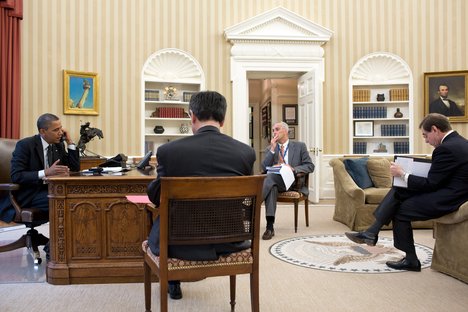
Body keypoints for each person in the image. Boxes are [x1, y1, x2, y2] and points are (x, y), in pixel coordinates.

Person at [146, 91, 256, 300]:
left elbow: (155, 196)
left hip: (177, 243)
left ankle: (172, 282)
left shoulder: (169, 151)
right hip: (231, 241)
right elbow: (245, 197)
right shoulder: (245, 153)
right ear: (223, 120)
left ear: (192, 116)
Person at [345, 113, 468, 271]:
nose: (426, 140)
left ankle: (410, 259)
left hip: (449, 199)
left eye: (426, 135)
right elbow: (440, 177)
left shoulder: (445, 149)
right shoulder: (460, 143)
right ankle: (371, 232)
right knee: (400, 189)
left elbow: (431, 184)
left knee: (401, 210)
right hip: (453, 192)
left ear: (435, 129)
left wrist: (403, 174)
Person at [0, 113, 80, 222]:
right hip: (29, 194)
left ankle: (69, 237)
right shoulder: (25, 145)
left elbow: (74, 167)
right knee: (64, 201)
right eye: (56, 130)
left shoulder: (57, 145)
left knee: (75, 197)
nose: (61, 133)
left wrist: (70, 142)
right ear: (43, 132)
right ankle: (61, 238)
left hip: (50, 190)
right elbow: (16, 176)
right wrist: (46, 172)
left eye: (61, 129)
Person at [261, 121, 314, 240]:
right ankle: (270, 227)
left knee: (269, 180)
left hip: (294, 182)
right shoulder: (270, 148)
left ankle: (253, 205)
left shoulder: (300, 146)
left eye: (277, 129)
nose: (274, 132)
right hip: (276, 182)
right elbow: (264, 168)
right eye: (273, 130)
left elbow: (310, 166)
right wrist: (273, 150)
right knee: (271, 185)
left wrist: (293, 169)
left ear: (285, 131)